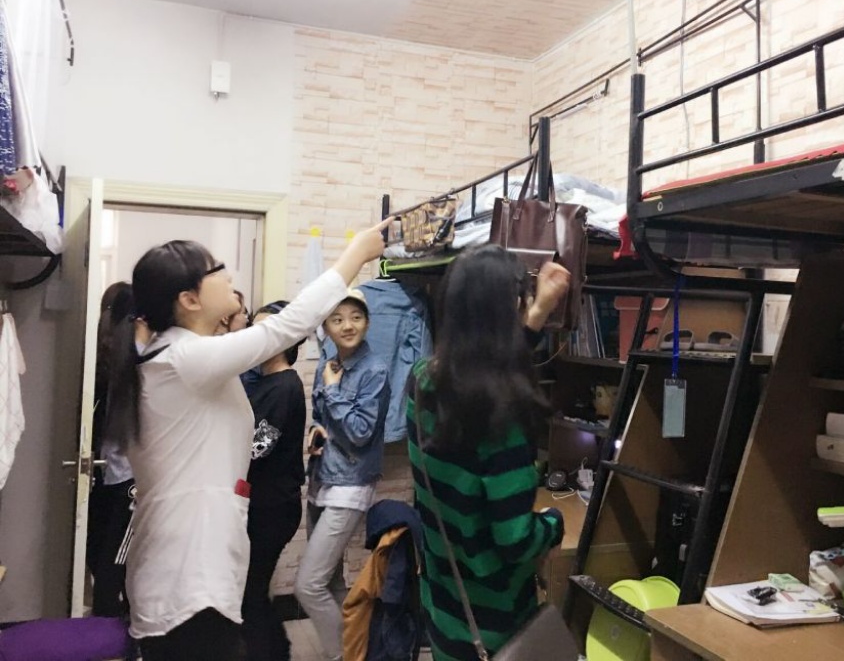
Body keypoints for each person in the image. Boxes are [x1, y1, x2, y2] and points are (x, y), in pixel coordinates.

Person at [104, 220, 390, 661]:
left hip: (190, 566)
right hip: (189, 574)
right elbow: (283, 328)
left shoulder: (181, 354)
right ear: (189, 299)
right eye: (216, 269)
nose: (228, 275)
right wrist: (357, 254)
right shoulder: (186, 358)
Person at [407, 245, 571, 661]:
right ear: (510, 308)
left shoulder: (422, 381)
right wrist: (553, 524)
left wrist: (537, 314)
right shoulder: (504, 418)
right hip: (494, 625)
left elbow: (488, 367)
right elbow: (515, 541)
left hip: (444, 606)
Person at [295, 288, 390, 661]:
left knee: (308, 586)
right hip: (322, 478)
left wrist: (333, 392)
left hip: (350, 484)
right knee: (330, 581)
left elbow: (361, 432)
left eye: (355, 317)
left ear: (367, 322)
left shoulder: (375, 370)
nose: (347, 326)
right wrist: (316, 430)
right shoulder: (328, 363)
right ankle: (358, 651)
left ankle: (343, 657)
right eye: (337, 319)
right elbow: (324, 418)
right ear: (326, 327)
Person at [240, 301, 307, 661]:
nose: (256, 337)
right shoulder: (266, 381)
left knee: (250, 594)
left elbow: (259, 447)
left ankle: (274, 653)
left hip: (273, 508)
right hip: (264, 505)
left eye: (266, 331)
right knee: (252, 592)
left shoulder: (283, 386)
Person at [86, 281, 150, 618]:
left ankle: (114, 633)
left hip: (129, 481)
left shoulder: (141, 361)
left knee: (112, 567)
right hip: (105, 473)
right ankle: (109, 631)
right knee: (101, 560)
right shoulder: (102, 362)